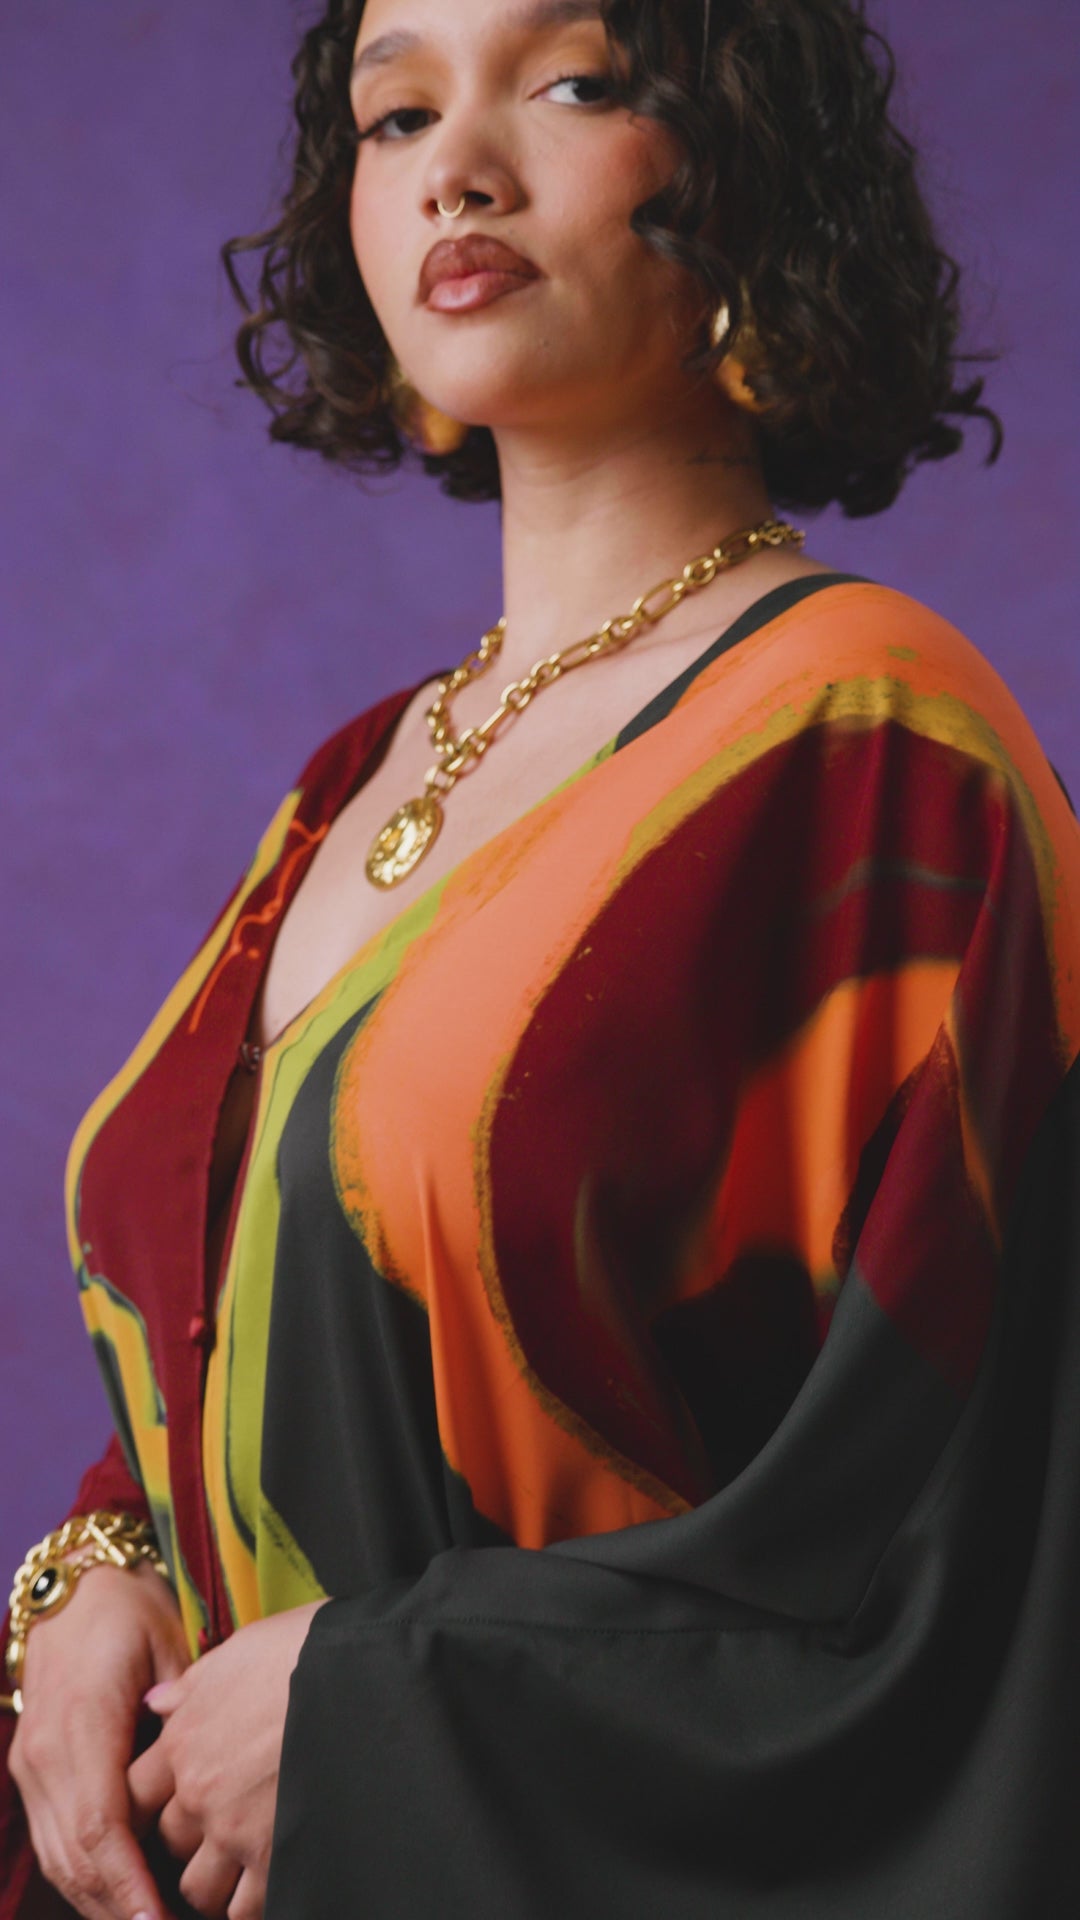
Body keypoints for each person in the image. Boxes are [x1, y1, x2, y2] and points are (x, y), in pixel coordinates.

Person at [3, 0, 1078, 1914]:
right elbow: (268, 1352)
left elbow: (976, 1550)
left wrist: (393, 1711)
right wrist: (105, 1580)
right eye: (397, 113)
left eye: (573, 83)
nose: (458, 170)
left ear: (740, 163)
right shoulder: (355, 774)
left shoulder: (879, 755)